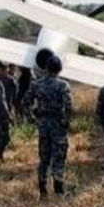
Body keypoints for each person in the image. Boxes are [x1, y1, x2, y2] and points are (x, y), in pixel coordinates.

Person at [31, 55, 73, 198]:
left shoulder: (36, 84)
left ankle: (43, 192)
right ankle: (59, 191)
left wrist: (33, 119)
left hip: (43, 127)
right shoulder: (63, 85)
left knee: (44, 159)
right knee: (59, 159)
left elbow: (25, 102)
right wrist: (66, 122)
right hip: (58, 128)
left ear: (46, 68)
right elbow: (69, 106)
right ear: (59, 69)